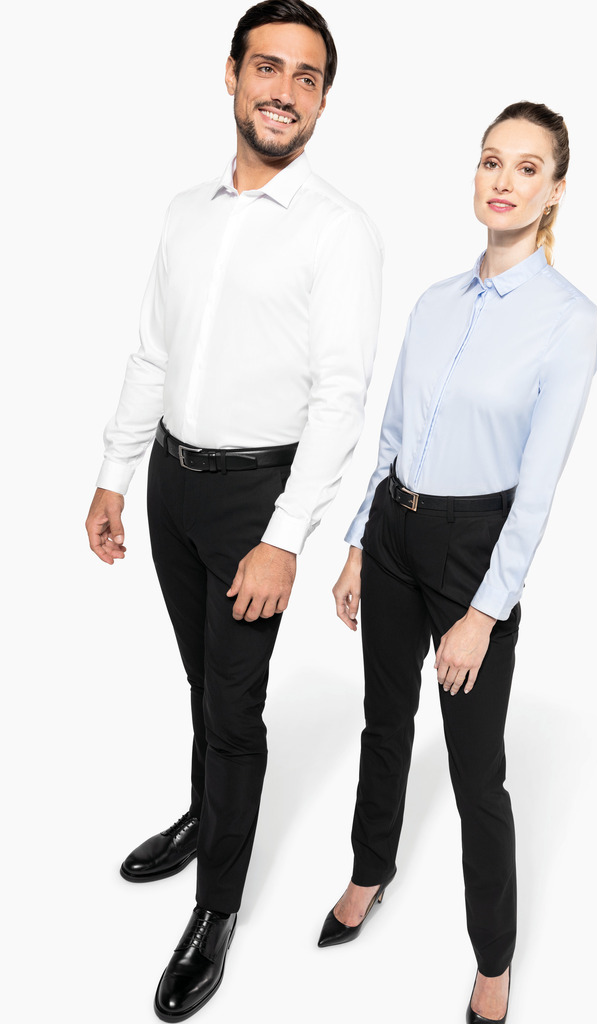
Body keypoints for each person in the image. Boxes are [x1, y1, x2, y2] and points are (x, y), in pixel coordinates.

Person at [85, 2, 382, 1020]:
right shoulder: (185, 211)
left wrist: (283, 538)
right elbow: (152, 352)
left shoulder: (337, 229)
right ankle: (206, 815)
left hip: (257, 498)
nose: (284, 91)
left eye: (307, 77)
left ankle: (215, 908)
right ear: (231, 74)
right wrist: (115, 472)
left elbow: (340, 399)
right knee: (199, 679)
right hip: (171, 483)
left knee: (232, 706)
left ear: (323, 102)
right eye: (268, 67)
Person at [318, 101, 597, 1024]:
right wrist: (358, 542)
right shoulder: (435, 302)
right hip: (394, 532)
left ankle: (493, 960)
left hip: (474, 548)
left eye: (527, 167)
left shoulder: (568, 321)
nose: (503, 181)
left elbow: (538, 489)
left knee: (478, 773)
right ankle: (370, 869)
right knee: (383, 719)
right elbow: (394, 433)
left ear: (555, 191)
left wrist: (484, 610)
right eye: (490, 161)